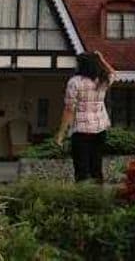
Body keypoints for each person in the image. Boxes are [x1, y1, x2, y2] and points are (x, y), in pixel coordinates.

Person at [56, 51, 115, 183]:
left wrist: (61, 133)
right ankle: (98, 195)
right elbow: (113, 73)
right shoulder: (103, 80)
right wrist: (102, 58)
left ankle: (83, 197)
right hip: (100, 129)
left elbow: (69, 110)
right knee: (96, 165)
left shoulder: (75, 82)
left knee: (81, 169)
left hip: (81, 130)